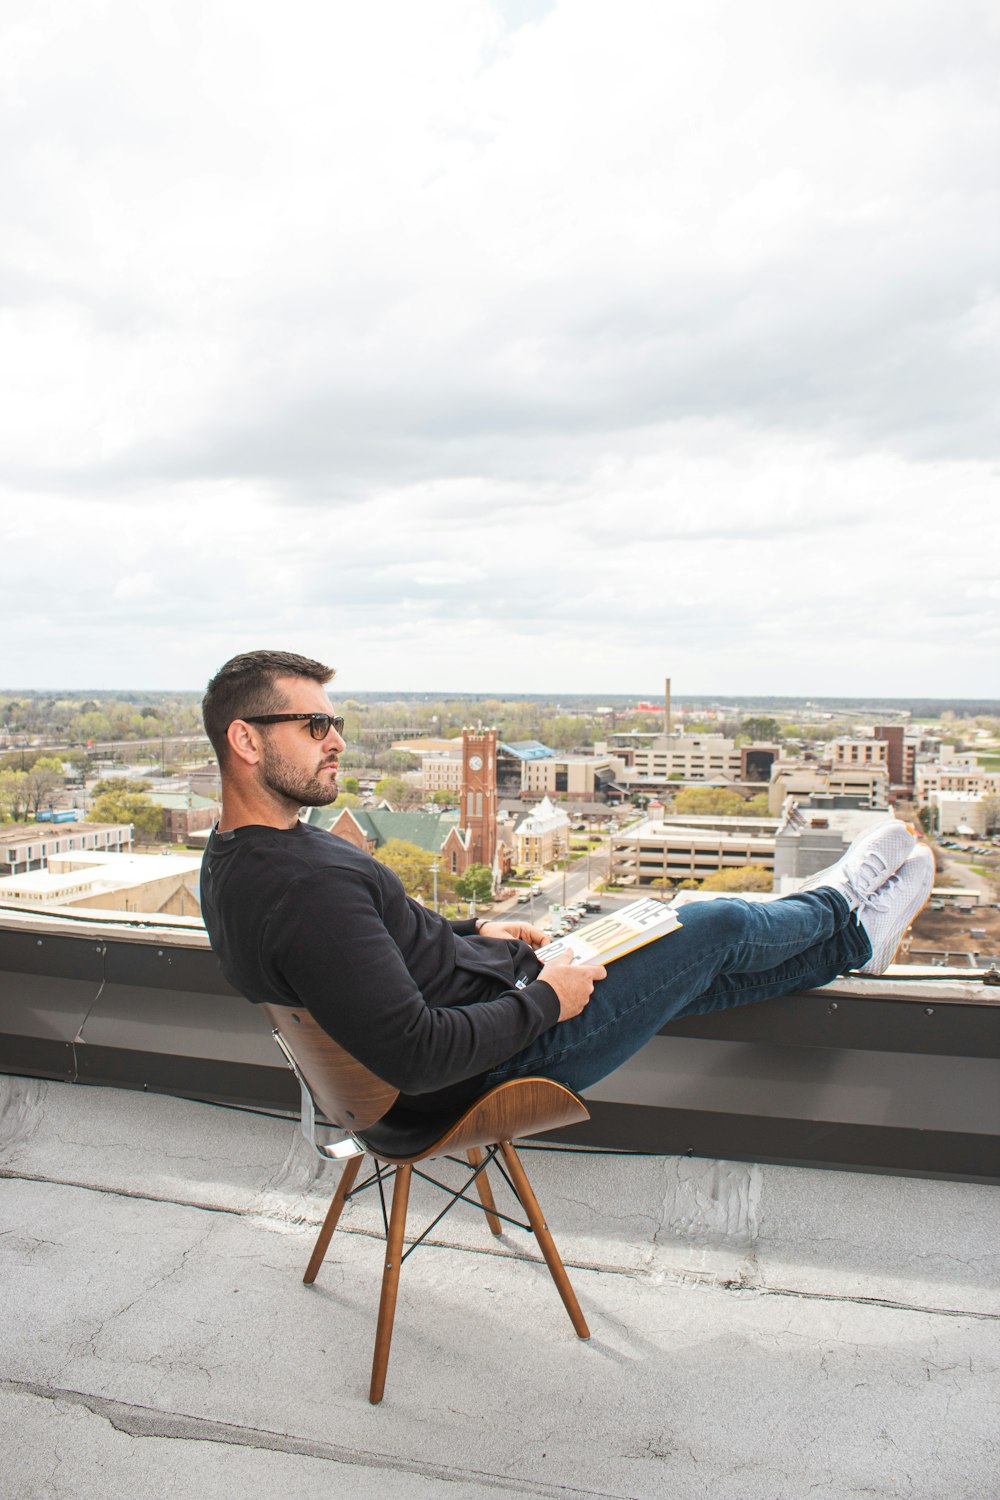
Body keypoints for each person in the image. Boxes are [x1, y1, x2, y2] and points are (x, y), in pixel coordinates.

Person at [199, 650, 935, 1114]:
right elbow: (418, 1058)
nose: (338, 742)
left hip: (501, 997)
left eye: (336, 723)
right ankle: (838, 901)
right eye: (314, 727)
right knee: (711, 924)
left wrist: (474, 931)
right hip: (499, 1063)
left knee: (682, 955)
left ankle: (855, 939)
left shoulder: (238, 858)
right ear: (246, 738)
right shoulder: (305, 891)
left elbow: (370, 950)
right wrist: (550, 999)